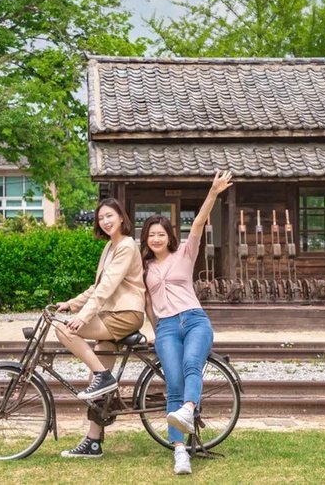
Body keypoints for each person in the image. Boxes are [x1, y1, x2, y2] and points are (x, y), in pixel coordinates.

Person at [141, 170, 233, 476]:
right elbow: (144, 304)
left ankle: (188, 413)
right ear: (146, 238)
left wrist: (213, 191)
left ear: (169, 236)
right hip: (166, 327)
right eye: (151, 234)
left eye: (161, 233)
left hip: (195, 320)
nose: (156, 238)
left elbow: (197, 223)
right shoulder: (144, 268)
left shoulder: (184, 253)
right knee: (174, 385)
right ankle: (180, 453)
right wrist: (152, 331)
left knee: (193, 365)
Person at [54, 197, 146, 458]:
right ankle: (93, 442)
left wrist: (83, 317)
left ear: (121, 218)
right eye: (101, 218)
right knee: (96, 383)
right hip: (112, 313)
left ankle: (103, 377)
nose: (105, 221)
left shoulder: (126, 246)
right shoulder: (110, 247)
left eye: (110, 216)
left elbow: (108, 288)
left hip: (125, 313)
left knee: (64, 330)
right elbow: (97, 287)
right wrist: (71, 304)